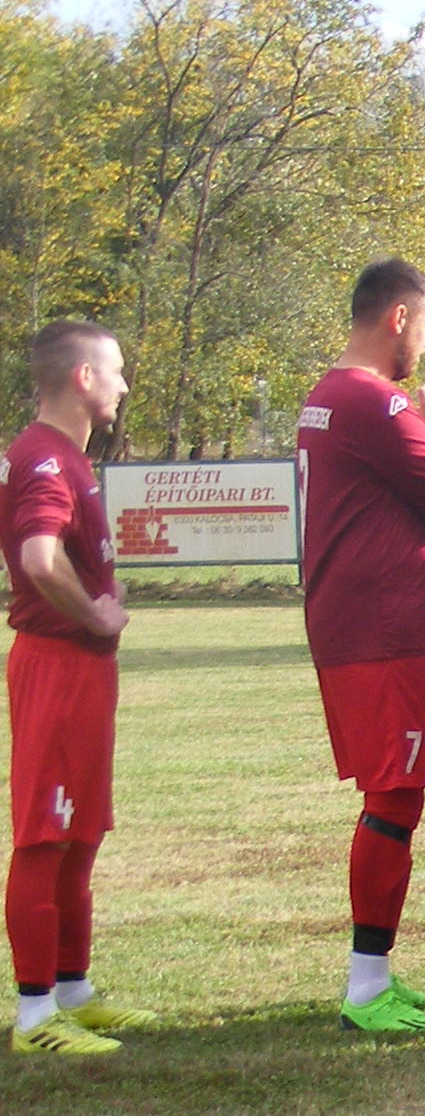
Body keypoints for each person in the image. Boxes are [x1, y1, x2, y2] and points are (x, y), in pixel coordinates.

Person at [296, 259, 425, 1033]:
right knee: (394, 797)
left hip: (355, 620)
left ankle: (375, 975)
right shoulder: (375, 401)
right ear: (398, 318)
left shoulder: (327, 395)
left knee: (393, 795)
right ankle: (366, 986)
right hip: (380, 627)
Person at [5, 320, 148, 1055]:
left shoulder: (67, 456)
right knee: (46, 833)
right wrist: (93, 610)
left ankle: (72, 990)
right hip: (56, 663)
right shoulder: (44, 459)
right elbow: (35, 558)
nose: (124, 384)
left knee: (82, 831)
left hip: (82, 669)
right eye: (115, 370)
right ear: (83, 378)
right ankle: (34, 1017)